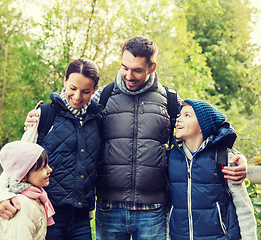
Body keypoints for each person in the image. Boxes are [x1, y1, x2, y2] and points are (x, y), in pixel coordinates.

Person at [23, 36, 248, 240]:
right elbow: (71, 109)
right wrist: (37, 116)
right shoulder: (103, 96)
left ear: (152, 67)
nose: (129, 76)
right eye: (124, 67)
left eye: (137, 70)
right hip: (109, 208)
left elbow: (201, 130)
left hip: (152, 211)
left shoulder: (169, 100)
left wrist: (235, 156)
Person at [0, 58, 102, 240]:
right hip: (48, 213)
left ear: (95, 90)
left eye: (86, 91)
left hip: (81, 218)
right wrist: (0, 197)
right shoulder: (45, 115)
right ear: (65, 81)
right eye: (73, 88)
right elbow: (16, 164)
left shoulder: (97, 120)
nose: (77, 96)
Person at [168, 99, 257, 240]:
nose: (178, 119)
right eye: (179, 115)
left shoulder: (223, 157)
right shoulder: (172, 157)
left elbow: (243, 207)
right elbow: (169, 206)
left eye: (187, 115)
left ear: (203, 125)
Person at [0, 141, 55, 240]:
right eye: (43, 168)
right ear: (23, 176)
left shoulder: (35, 198)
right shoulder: (21, 205)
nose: (50, 170)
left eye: (47, 165)